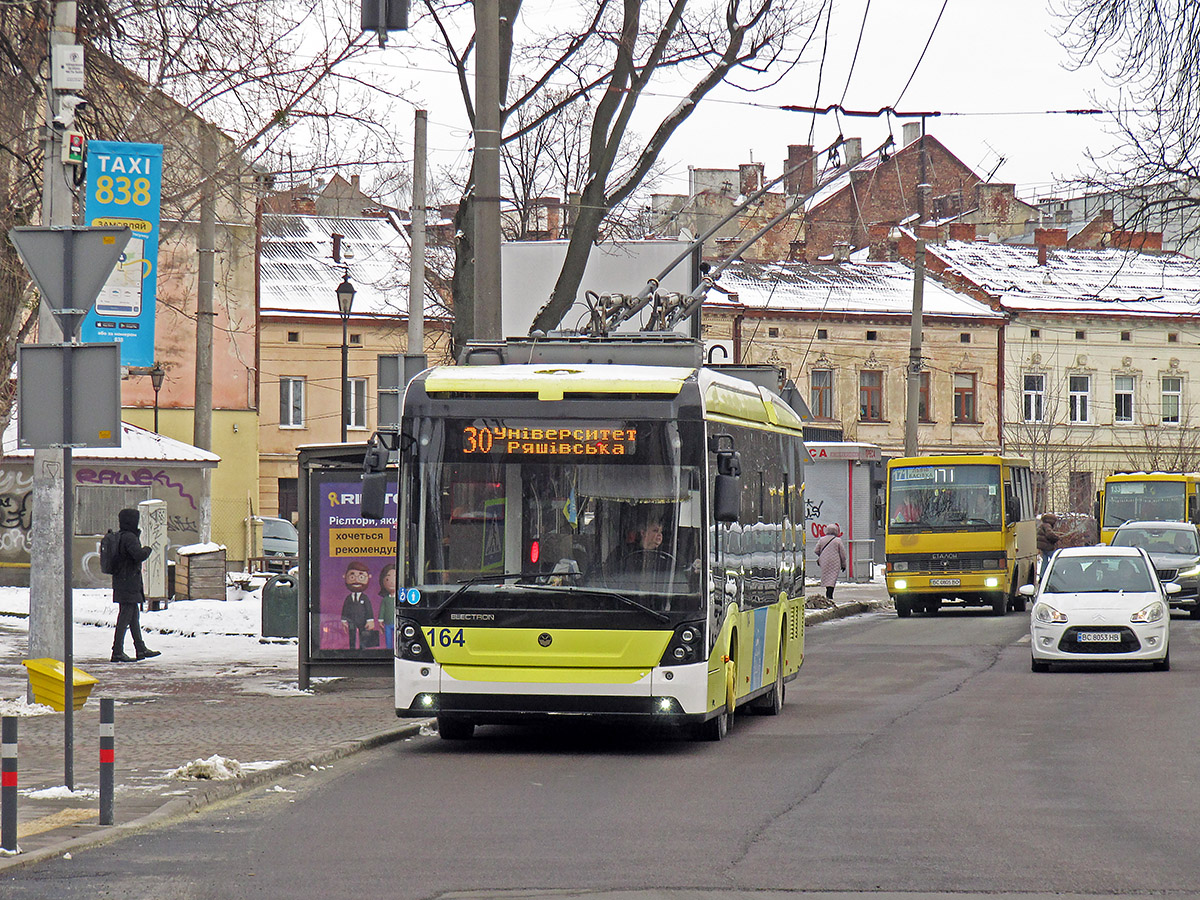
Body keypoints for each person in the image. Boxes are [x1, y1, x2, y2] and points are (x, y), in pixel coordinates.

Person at [110, 507, 161, 662]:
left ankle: (140, 648)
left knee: (133, 617)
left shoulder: (119, 536)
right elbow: (138, 555)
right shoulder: (129, 538)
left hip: (122, 581)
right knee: (125, 617)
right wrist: (147, 549)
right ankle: (117, 651)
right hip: (129, 582)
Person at [340, 561, 373, 649]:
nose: (356, 580)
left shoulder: (365, 598)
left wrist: (370, 620)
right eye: (352, 577)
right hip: (351, 621)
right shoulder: (348, 598)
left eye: (361, 577)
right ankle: (352, 649)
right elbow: (345, 609)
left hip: (362, 621)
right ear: (345, 577)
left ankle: (363, 649)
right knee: (352, 635)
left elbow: (368, 609)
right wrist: (343, 620)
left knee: (363, 635)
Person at [815, 524, 847, 601]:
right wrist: (843, 564)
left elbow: (816, 550)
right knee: (832, 577)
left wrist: (822, 555)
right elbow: (842, 554)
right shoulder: (838, 540)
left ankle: (828, 592)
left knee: (826, 576)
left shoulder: (822, 539)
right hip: (835, 561)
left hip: (824, 561)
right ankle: (830, 594)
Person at [375, 563, 397, 649]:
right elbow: (382, 610)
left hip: (397, 622)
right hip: (387, 622)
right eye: (388, 579)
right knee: (388, 637)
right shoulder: (385, 599)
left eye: (395, 578)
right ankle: (389, 648)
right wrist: (380, 620)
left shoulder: (400, 599)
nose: (391, 582)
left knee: (397, 637)